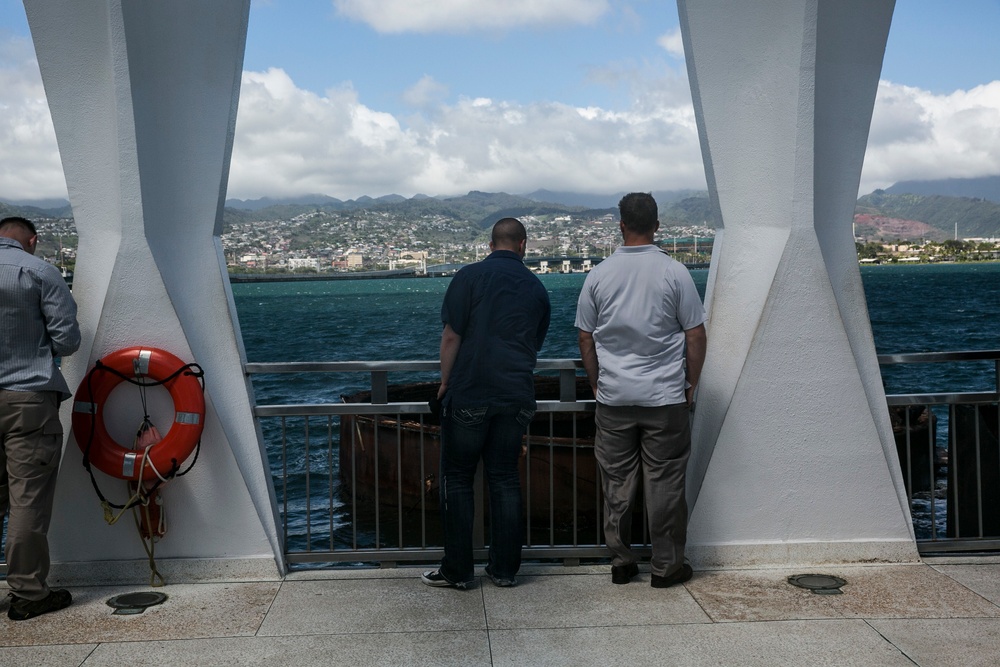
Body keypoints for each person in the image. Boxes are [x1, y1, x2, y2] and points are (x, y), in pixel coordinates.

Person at [575, 193, 707, 588]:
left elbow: (585, 338)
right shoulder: (674, 272)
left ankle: (621, 561)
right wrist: (691, 383)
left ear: (621, 225)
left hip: (614, 398)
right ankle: (666, 568)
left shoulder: (598, 275)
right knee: (665, 483)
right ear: (657, 225)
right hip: (664, 397)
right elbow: (696, 335)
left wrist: (597, 382)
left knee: (616, 483)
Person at [422, 217, 550, 589]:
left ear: (491, 244)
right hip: (516, 396)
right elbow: (533, 345)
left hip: (471, 390)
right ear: (523, 245)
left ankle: (459, 571)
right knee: (505, 479)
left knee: (459, 480)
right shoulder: (536, 287)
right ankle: (505, 570)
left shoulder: (469, 276)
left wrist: (446, 381)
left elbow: (451, 336)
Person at [0, 216, 80, 620]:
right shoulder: (38, 270)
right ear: (31, 240)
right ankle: (29, 594)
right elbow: (67, 339)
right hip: (26, 398)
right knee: (26, 499)